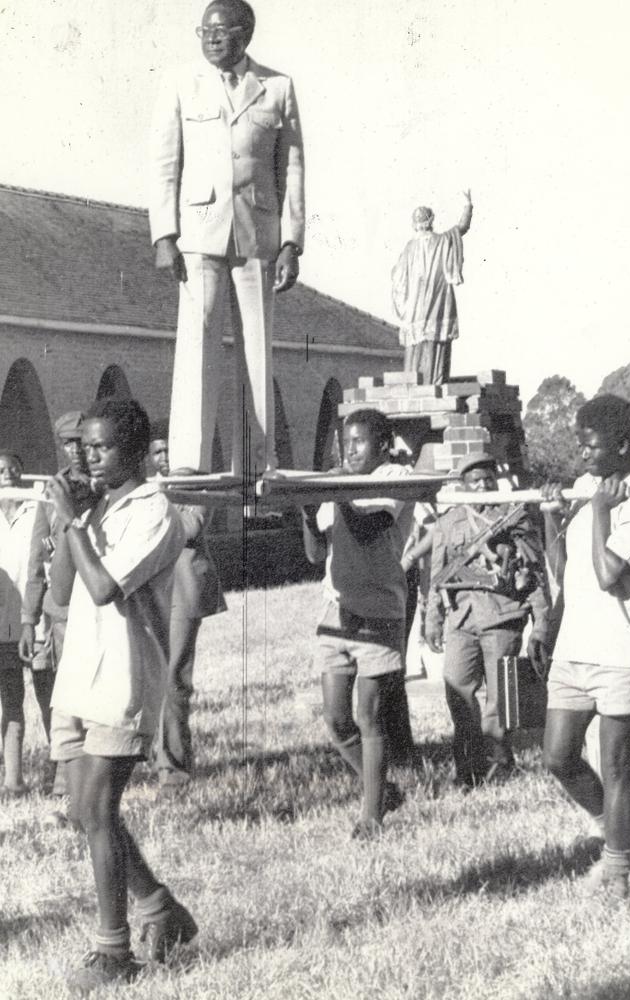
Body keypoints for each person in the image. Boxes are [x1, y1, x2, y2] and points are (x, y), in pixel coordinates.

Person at [47, 398, 196, 989]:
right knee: (82, 811)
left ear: (133, 450)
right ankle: (161, 909)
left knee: (101, 811)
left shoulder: (155, 511)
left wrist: (78, 522)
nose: (88, 456)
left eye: (101, 446)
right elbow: (63, 590)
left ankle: (115, 953)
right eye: (83, 445)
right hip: (80, 672)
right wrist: (69, 522)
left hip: (126, 675)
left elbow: (106, 587)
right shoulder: (96, 507)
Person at [149, 0, 305, 476]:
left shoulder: (277, 87)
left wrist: (291, 242)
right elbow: (163, 164)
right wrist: (164, 235)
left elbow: (292, 168)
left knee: (256, 351)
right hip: (198, 233)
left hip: (259, 234)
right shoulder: (181, 83)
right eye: (205, 31)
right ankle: (190, 464)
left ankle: (256, 464)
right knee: (196, 345)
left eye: (222, 31)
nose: (212, 39)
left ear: (246, 34)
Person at [542, 394, 630, 899]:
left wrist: (601, 509)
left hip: (620, 649)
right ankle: (621, 834)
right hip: (575, 645)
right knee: (558, 756)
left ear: (624, 446)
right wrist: (551, 517)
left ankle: (617, 871)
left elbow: (609, 573)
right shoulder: (589, 488)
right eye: (580, 445)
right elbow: (565, 571)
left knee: (615, 764)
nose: (582, 455)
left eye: (592, 446)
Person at [302, 409, 413, 839]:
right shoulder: (340, 486)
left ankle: (372, 816)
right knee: (335, 720)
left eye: (359, 442)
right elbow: (316, 553)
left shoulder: (395, 479)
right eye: (345, 442)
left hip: (379, 613)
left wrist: (338, 491)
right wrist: (306, 510)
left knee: (369, 716)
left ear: (383, 445)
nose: (349, 450)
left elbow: (369, 529)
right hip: (336, 610)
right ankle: (382, 789)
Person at [424, 453, 550, 788]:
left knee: (501, 697)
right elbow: (437, 576)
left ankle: (500, 762)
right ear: (463, 485)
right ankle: (468, 767)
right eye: (474, 480)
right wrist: (432, 619)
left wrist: (541, 623)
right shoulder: (448, 522)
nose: (482, 485)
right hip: (462, 618)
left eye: (488, 479)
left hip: (503, 614)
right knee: (457, 690)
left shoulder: (514, 517)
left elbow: (534, 573)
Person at [147, 425, 227, 790]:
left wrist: (152, 506)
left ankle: (174, 770)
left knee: (174, 679)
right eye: (157, 452)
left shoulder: (196, 486)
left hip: (183, 590)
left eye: (169, 450)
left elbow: (190, 526)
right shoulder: (150, 487)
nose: (164, 458)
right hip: (150, 592)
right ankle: (157, 757)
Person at [34, 410, 92, 798]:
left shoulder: (103, 485)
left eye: (81, 443)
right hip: (63, 609)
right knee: (63, 690)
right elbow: (36, 553)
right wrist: (28, 615)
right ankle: (63, 776)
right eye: (69, 443)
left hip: (99, 602)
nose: (76, 451)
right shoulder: (53, 490)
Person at [0, 451, 49, 794]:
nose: (7, 473)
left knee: (50, 697)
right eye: (0, 469)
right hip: (2, 624)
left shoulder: (39, 507)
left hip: (38, 618)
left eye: (13, 466)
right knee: (11, 700)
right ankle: (13, 780)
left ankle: (63, 772)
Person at [391, 192, 472, 386]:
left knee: (417, 344)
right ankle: (433, 382)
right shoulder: (442, 240)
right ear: (431, 220)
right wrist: (468, 206)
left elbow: (397, 278)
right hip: (438, 301)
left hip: (416, 308)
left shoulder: (409, 248)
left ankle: (419, 383)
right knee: (436, 341)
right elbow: (462, 227)